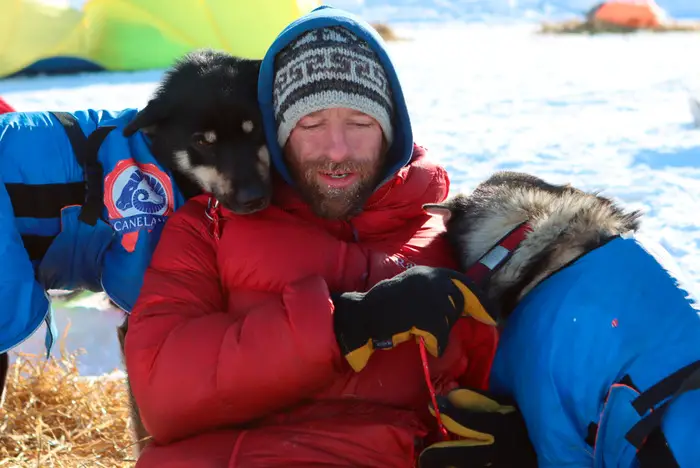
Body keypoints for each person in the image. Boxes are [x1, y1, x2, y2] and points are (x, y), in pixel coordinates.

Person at [124, 6, 500, 467]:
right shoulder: (205, 231)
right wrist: (343, 325)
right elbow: (162, 396)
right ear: (277, 132)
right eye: (311, 124)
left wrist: (520, 439)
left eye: (360, 124)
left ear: (392, 130)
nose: (336, 150)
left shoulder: (450, 227)